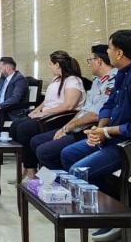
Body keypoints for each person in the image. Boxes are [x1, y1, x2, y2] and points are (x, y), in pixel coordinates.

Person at [60, 29, 131, 242]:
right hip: (118, 140)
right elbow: (109, 105)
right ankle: (102, 207)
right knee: (68, 154)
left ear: (119, 53)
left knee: (79, 171)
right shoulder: (123, 72)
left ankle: (115, 218)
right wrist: (99, 130)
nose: (108, 52)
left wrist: (106, 132)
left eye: (110, 48)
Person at [30, 44, 117, 172]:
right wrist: (65, 127)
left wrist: (69, 127)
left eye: (90, 60)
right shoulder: (97, 81)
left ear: (98, 61)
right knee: (36, 141)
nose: (89, 64)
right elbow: (84, 110)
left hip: (91, 129)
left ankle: (63, 181)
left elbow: (96, 114)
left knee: (45, 151)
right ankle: (50, 179)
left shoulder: (114, 81)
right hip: (79, 127)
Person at [9, 51, 86, 174]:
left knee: (24, 129)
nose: (49, 66)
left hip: (62, 118)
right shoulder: (57, 79)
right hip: (49, 115)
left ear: (57, 65)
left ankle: (31, 170)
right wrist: (37, 110)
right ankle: (26, 164)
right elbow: (48, 100)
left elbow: (69, 105)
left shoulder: (73, 80)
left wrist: (45, 113)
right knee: (15, 126)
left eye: (50, 64)